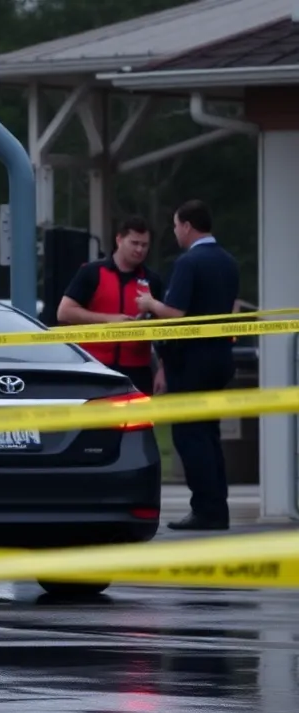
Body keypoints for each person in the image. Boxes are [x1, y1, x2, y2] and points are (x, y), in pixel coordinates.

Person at [135, 199, 240, 531]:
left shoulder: (189, 263)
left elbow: (176, 313)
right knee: (208, 433)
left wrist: (150, 302)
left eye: (177, 225)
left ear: (188, 226)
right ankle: (216, 507)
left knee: (190, 436)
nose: (176, 231)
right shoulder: (229, 262)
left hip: (192, 359)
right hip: (220, 357)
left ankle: (205, 510)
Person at [56, 216, 163, 394]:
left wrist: (162, 369)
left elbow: (164, 330)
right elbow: (64, 312)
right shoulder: (92, 273)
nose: (139, 250)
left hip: (138, 370)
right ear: (119, 240)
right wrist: (109, 320)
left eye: (144, 245)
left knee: (139, 421)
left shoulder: (153, 280)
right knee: (99, 422)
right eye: (134, 243)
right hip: (96, 367)